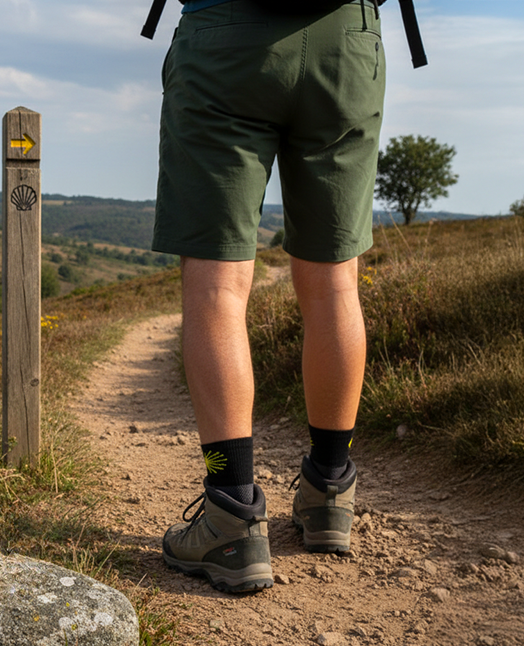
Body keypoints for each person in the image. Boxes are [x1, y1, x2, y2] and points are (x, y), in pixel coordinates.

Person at [151, 0, 385, 592]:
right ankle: (330, 492)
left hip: (225, 35)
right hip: (347, 37)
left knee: (217, 286)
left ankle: (230, 515)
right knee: (336, 281)